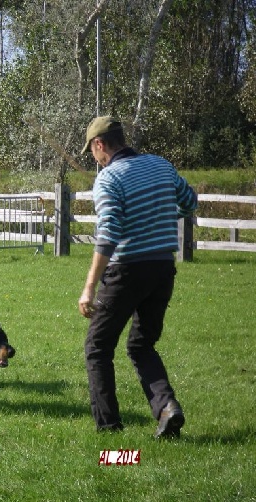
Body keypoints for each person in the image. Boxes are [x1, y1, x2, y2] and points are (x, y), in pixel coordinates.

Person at [77, 116, 198, 438]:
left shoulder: (108, 178)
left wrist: (89, 287)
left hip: (126, 270)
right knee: (142, 345)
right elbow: (189, 202)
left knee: (98, 347)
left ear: (100, 144)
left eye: (92, 150)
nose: (94, 158)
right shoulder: (161, 165)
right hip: (162, 268)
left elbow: (109, 234)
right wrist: (155, 217)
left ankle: (109, 428)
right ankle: (166, 408)